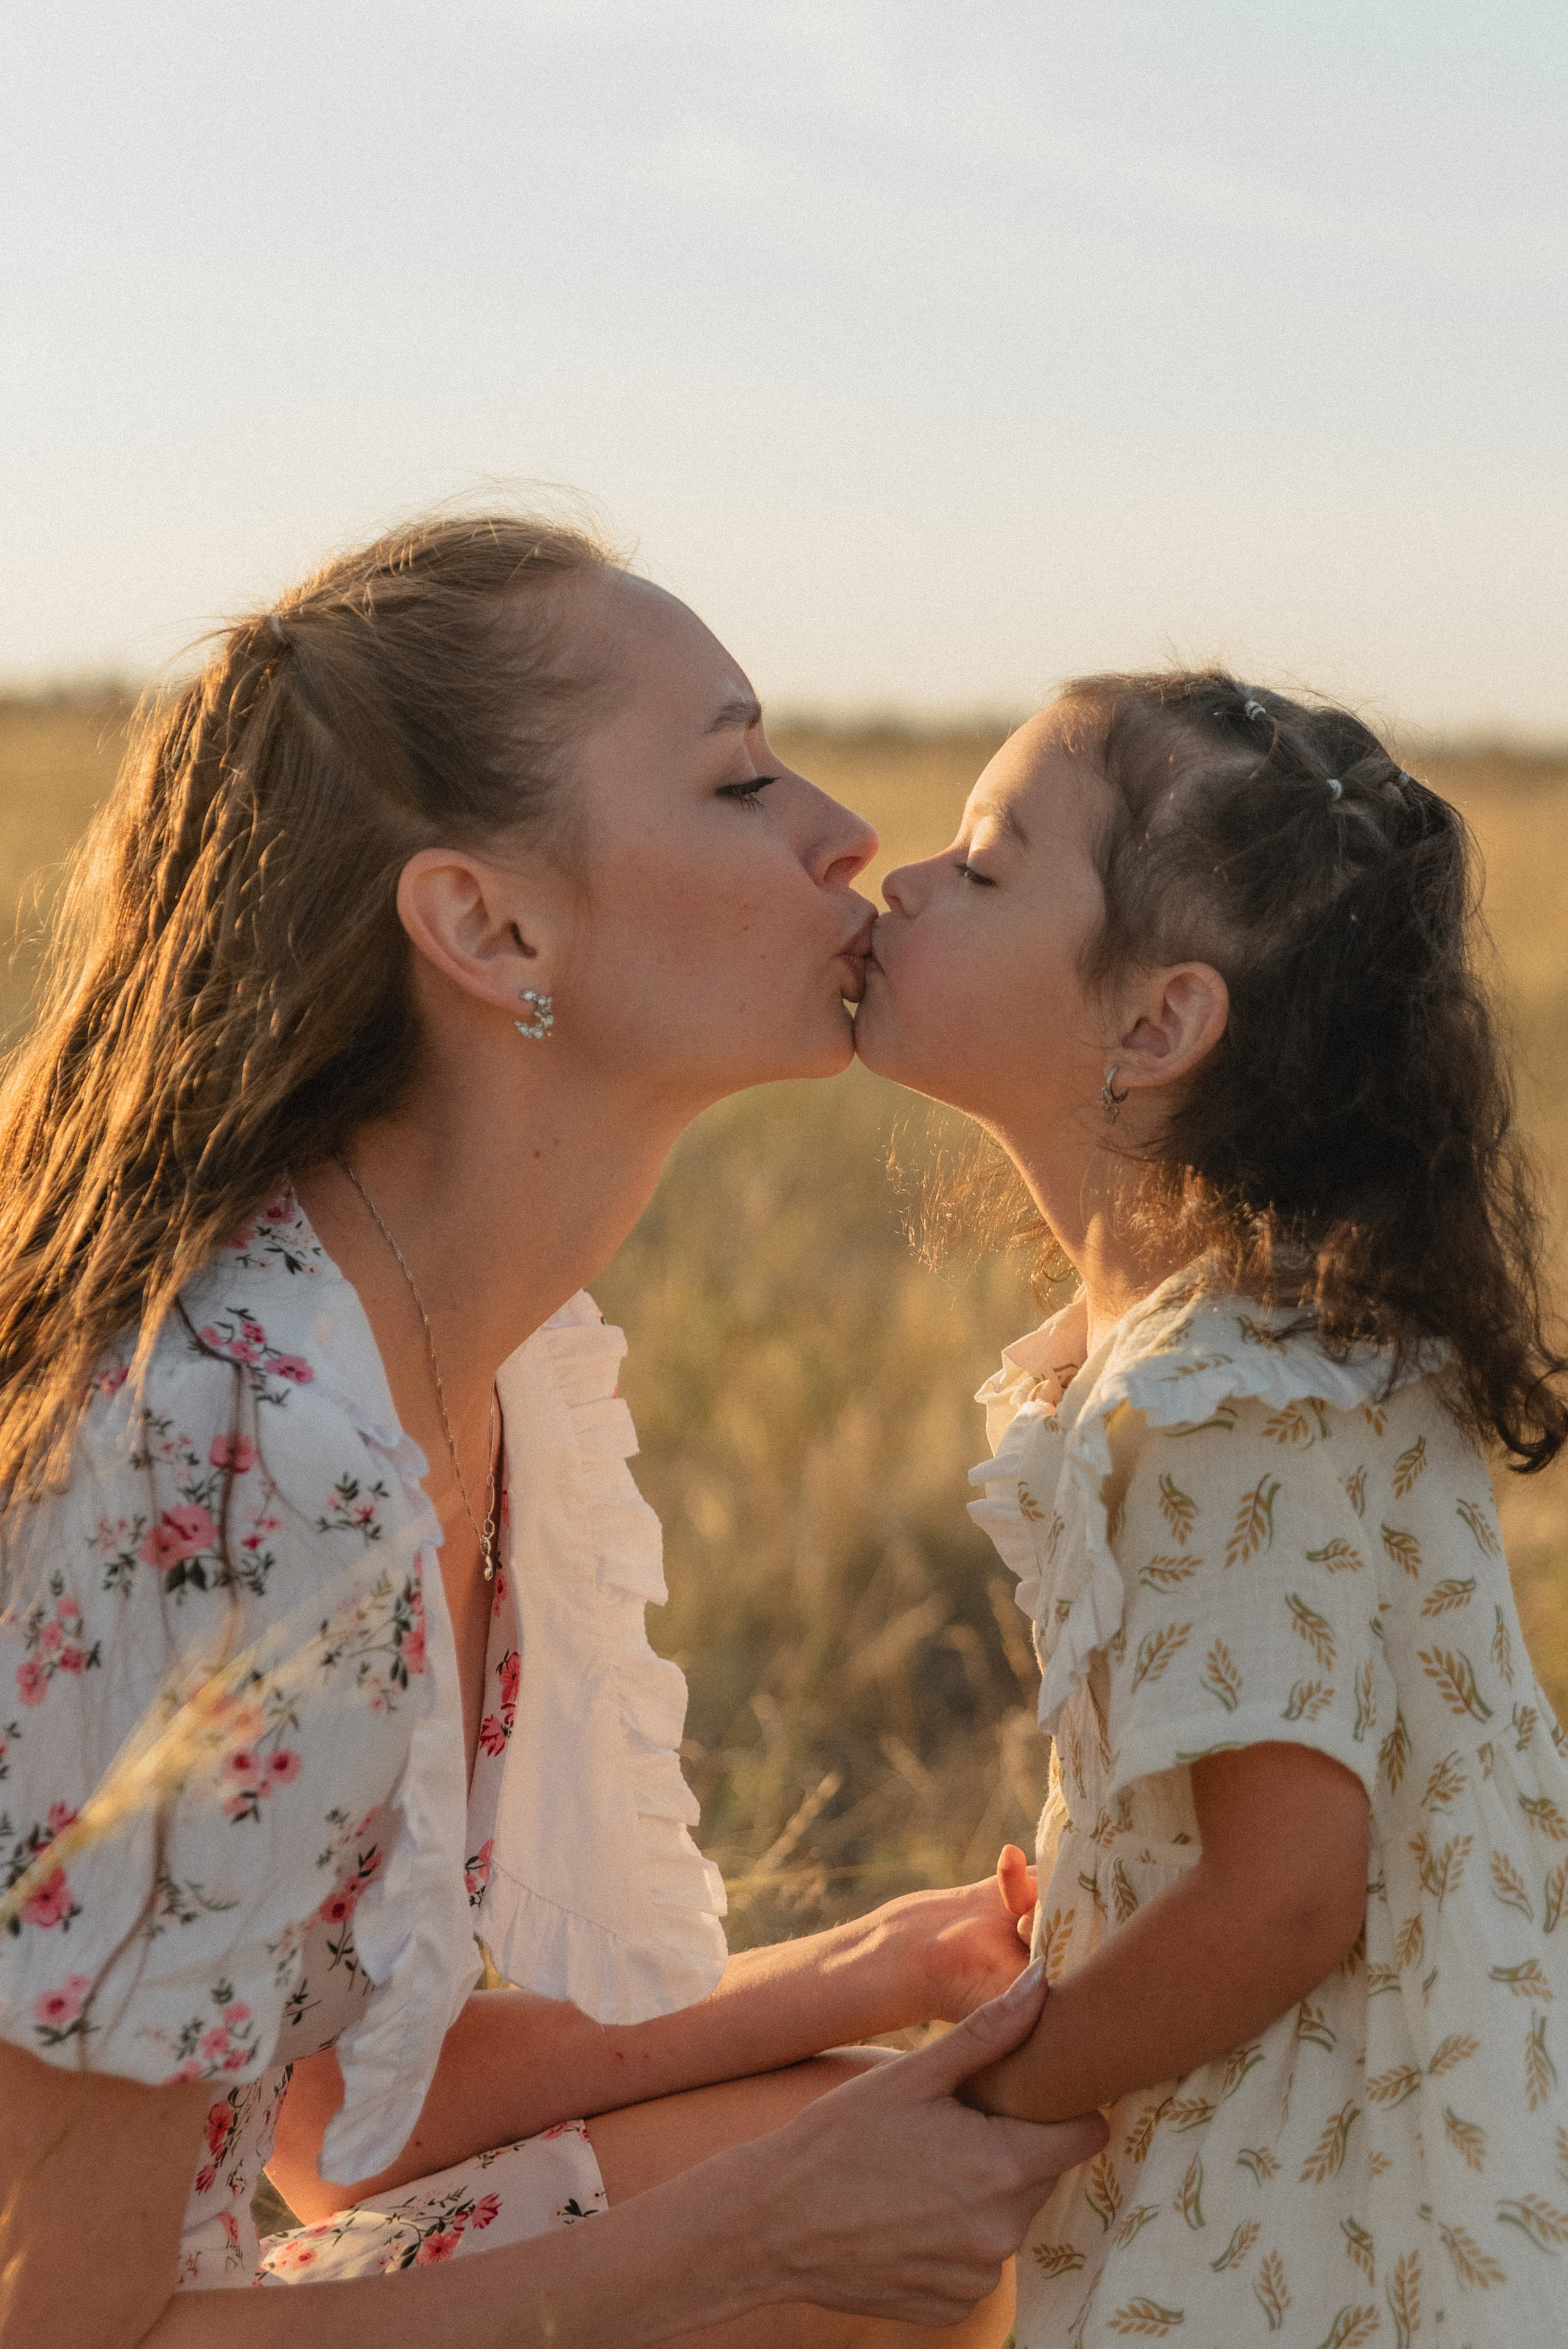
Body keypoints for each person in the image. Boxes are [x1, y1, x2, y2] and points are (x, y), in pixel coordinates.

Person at [0, 513, 1105, 2348]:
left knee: (910, 2144)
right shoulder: (236, 1456)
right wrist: (759, 2241)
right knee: (858, 2255)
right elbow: (64, 2324)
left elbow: (327, 2127)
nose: (846, 834)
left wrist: (868, 1971)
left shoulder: (452, 1366)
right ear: (487, 922)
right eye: (739, 776)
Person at [853, 668, 1568, 2346]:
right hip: (1337, 2110)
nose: (902, 881)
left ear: (1157, 1023)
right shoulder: (1253, 1338)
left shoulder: (1221, 1396)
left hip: (1294, 2178)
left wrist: (987, 2102)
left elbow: (1289, 1894)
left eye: (981, 860)